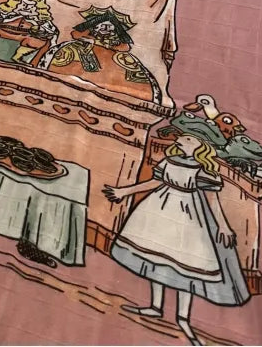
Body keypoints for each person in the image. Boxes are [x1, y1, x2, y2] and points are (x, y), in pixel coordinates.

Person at [103, 132, 249, 345]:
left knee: (186, 265)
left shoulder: (202, 169)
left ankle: (183, 318)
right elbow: (154, 182)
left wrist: (224, 226)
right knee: (155, 257)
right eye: (184, 137)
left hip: (189, 215)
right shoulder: (170, 160)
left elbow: (213, 200)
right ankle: (155, 306)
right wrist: (124, 192)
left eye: (189, 138)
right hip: (159, 207)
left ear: (201, 145)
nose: (183, 139)